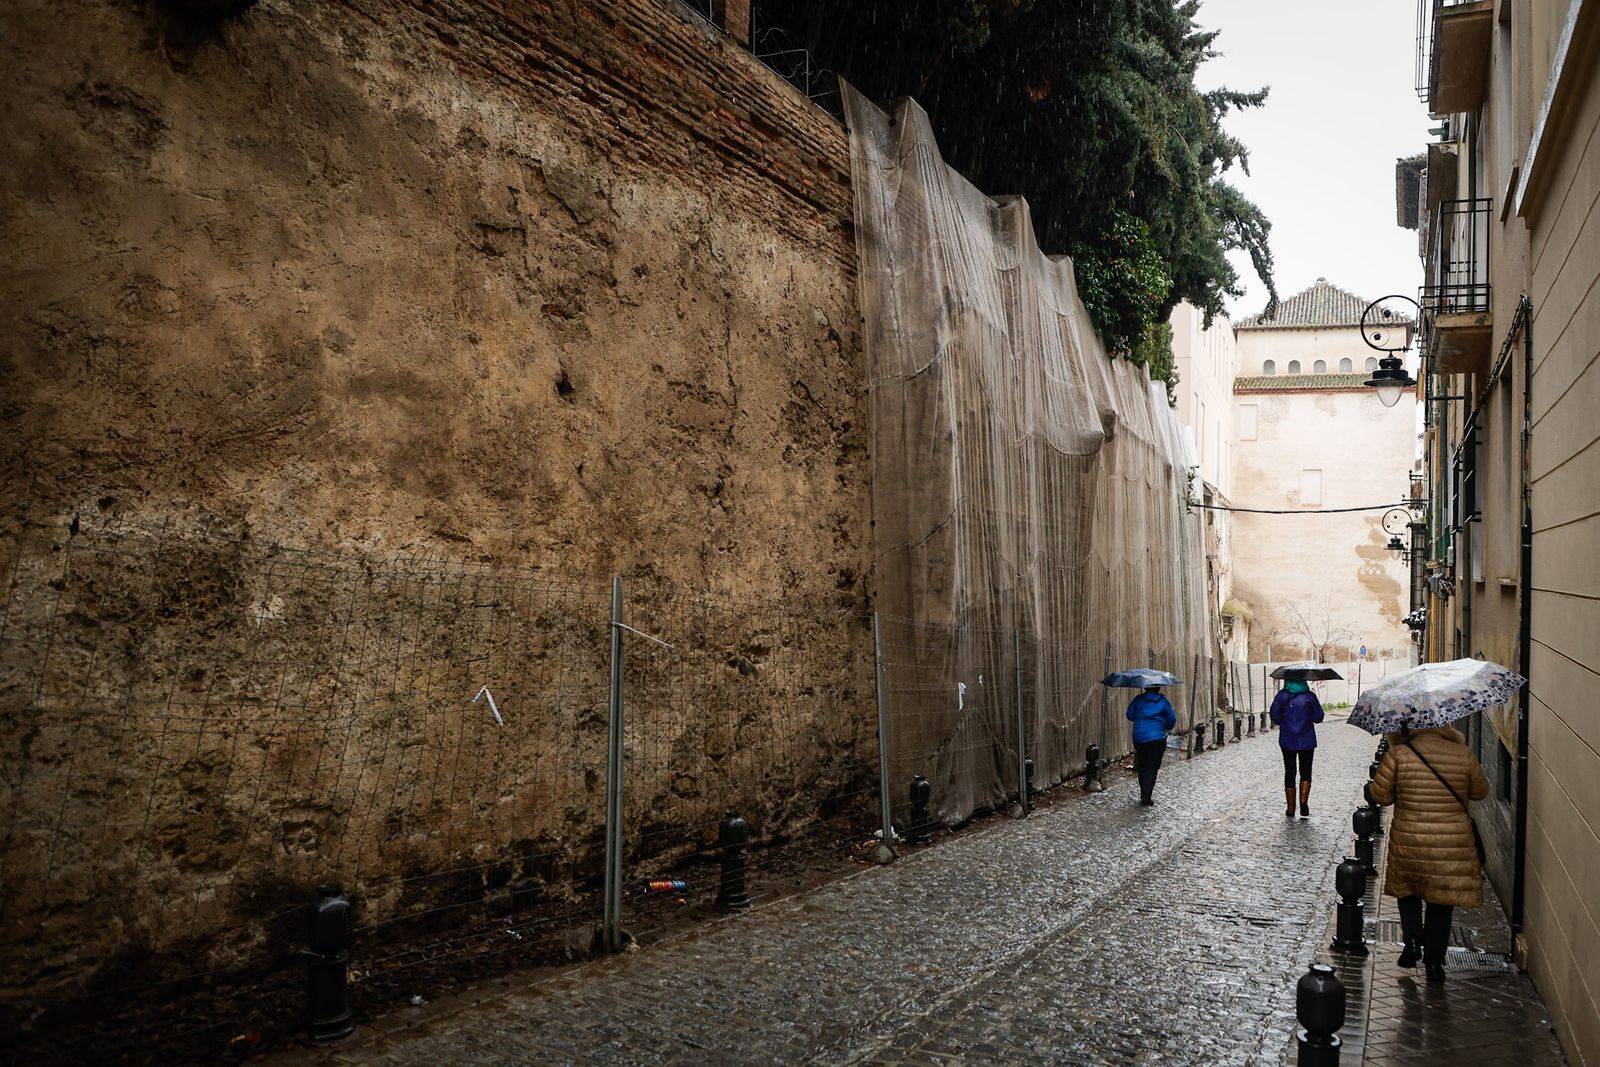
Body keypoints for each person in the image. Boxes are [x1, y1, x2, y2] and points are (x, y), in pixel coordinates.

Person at [1369, 724, 1489, 982]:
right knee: (1441, 903)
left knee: (1408, 891)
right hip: (1451, 842)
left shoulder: (1399, 754)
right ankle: (1435, 963)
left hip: (1410, 838)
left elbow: (1380, 796)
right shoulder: (1462, 753)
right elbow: (1480, 792)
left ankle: (1412, 940)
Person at [1270, 679, 1324, 818]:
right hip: (1307, 739)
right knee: (1306, 771)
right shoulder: (1310, 696)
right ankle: (1303, 802)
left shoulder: (1282, 696)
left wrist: (1285, 720)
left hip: (1288, 739)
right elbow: (1319, 717)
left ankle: (1290, 808)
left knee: (1290, 771)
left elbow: (1274, 716)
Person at [1126, 685, 1177, 806]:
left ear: (1145, 688)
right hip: (1157, 738)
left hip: (1139, 738)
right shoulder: (1163, 702)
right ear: (1158, 688)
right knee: (1152, 767)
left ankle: (1144, 791)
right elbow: (1172, 718)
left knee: (1143, 765)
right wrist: (1167, 727)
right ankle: (1146, 796)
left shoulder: (1138, 699)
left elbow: (1130, 715)